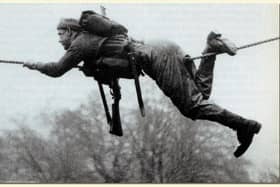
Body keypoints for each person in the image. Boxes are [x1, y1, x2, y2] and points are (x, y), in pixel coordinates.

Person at [23, 17, 261, 157]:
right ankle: (210, 48)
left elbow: (56, 70)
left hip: (156, 56)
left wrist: (34, 65)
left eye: (60, 34)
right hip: (163, 47)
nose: (58, 39)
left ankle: (245, 126)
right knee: (201, 95)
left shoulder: (79, 44)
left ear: (71, 31)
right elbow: (115, 64)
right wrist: (96, 72)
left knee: (192, 107)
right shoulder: (91, 42)